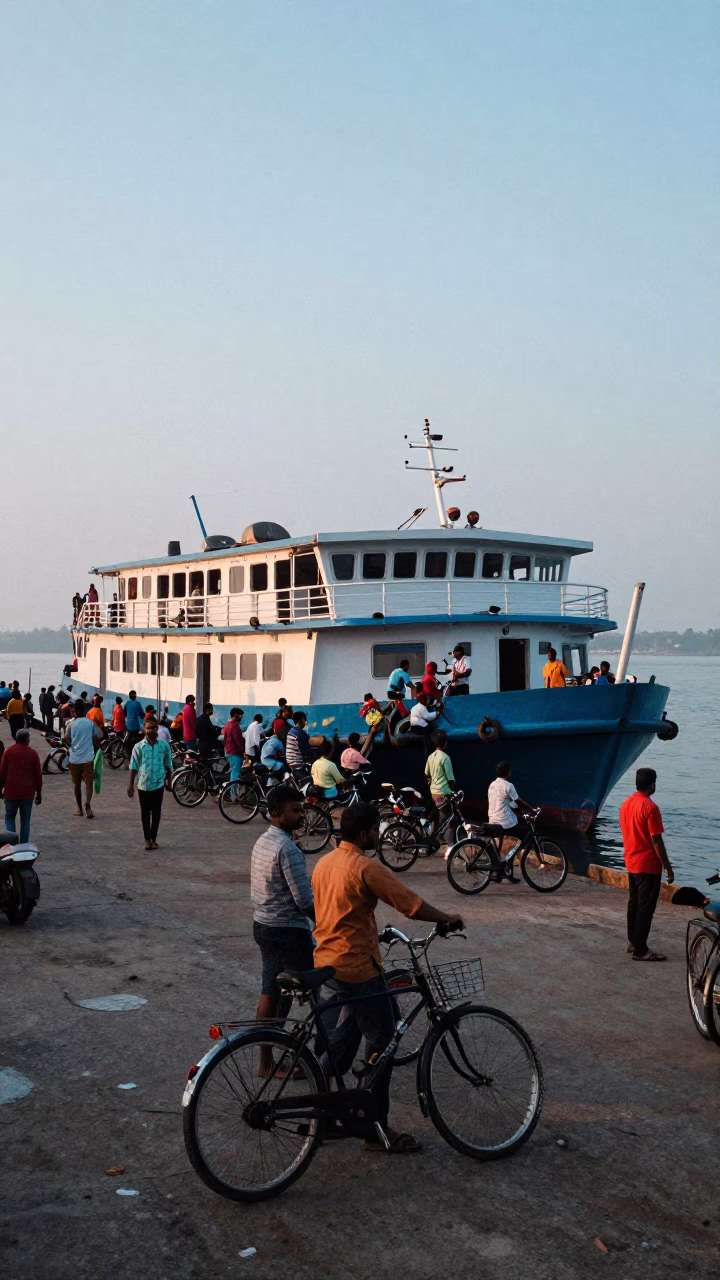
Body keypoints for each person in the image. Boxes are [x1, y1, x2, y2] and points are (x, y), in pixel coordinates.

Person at [312, 803, 463, 1153]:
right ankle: (376, 1130)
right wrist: (447, 917)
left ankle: (320, 1113)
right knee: (383, 1042)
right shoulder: (365, 867)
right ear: (364, 833)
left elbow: (338, 910)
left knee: (339, 1048)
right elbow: (409, 903)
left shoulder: (324, 862)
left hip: (327, 965)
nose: (379, 835)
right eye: (376, 829)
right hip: (359, 969)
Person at [250, 785, 315, 1076]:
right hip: (289, 931)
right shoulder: (287, 848)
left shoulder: (263, 841)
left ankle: (266, 1062)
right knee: (317, 989)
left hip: (264, 925)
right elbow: (304, 900)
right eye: (295, 811)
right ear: (277, 814)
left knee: (270, 992)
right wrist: (324, 923)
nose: (301, 815)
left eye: (301, 809)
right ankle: (324, 1058)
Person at [619, 768, 674, 962]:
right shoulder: (650, 807)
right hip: (648, 864)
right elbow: (656, 840)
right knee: (645, 907)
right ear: (652, 784)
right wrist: (667, 865)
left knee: (634, 903)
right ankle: (640, 949)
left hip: (631, 861)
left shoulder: (626, 804)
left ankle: (633, 941)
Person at [127, 716, 173, 850]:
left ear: (157, 728)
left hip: (158, 784)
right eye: (148, 728)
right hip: (143, 784)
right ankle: (147, 840)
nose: (150, 730)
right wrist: (130, 785)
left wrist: (169, 783)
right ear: (144, 729)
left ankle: (154, 838)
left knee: (157, 812)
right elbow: (133, 767)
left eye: (153, 728)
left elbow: (168, 766)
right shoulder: (138, 747)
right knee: (145, 813)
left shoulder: (164, 746)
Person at [0, 728, 42, 844]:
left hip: (11, 792)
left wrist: (0, 788)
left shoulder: (8, 752)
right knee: (25, 820)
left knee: (9, 818)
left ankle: (12, 844)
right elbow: (38, 776)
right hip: (27, 793)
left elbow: (2, 773)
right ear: (27, 739)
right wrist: (39, 793)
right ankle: (23, 845)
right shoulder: (33, 754)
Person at [487, 761, 535, 858]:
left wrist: (521, 813)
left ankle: (507, 861)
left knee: (515, 826)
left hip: (492, 821)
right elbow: (519, 802)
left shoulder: (492, 785)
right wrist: (532, 811)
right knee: (526, 834)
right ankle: (518, 859)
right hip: (504, 823)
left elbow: (511, 804)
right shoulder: (508, 785)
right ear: (508, 772)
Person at [65, 701, 102, 819]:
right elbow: (96, 740)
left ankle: (80, 809)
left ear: (74, 711)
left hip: (74, 759)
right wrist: (97, 748)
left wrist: (72, 746)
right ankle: (88, 805)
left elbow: (66, 739)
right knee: (89, 784)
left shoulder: (70, 724)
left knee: (76, 785)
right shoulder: (90, 723)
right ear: (84, 711)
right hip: (88, 759)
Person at [424, 730, 456, 856]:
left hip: (434, 792)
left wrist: (432, 785)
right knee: (450, 819)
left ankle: (434, 836)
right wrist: (452, 792)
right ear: (445, 743)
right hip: (443, 792)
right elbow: (451, 779)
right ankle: (449, 846)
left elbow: (427, 774)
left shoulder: (431, 757)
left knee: (440, 816)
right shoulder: (445, 758)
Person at [285, 711, 312, 777]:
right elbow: (305, 750)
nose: (305, 722)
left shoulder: (291, 731)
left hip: (290, 762)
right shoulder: (300, 733)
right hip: (297, 764)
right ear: (301, 720)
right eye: (304, 720)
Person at [223, 708, 246, 781]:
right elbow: (238, 741)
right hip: (234, 753)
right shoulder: (235, 725)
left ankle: (230, 791)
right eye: (240, 716)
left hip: (228, 751)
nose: (241, 718)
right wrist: (243, 752)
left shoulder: (227, 724)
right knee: (235, 775)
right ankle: (233, 792)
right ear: (236, 715)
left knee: (233, 773)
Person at [124, 690, 146, 758]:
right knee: (136, 739)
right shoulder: (137, 703)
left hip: (128, 724)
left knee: (130, 738)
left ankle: (129, 753)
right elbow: (141, 714)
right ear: (135, 696)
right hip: (135, 725)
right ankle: (135, 753)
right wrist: (144, 715)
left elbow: (124, 712)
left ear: (129, 696)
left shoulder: (127, 703)